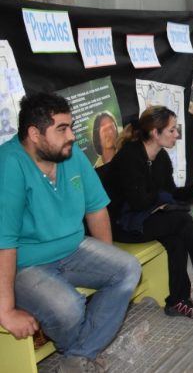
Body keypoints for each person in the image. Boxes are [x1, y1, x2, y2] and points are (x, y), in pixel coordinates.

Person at [0, 92, 141, 372]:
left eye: (71, 127)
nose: (72, 136)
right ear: (34, 134)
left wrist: (107, 260)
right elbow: (4, 243)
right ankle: (80, 355)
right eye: (62, 129)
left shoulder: (70, 154)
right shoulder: (9, 164)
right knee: (68, 308)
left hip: (74, 248)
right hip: (25, 264)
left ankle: (76, 356)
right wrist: (6, 312)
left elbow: (96, 209)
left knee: (127, 268)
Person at [105, 106, 193, 319]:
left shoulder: (161, 158)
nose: (177, 135)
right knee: (181, 220)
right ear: (154, 133)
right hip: (123, 224)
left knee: (177, 237)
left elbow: (169, 194)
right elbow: (139, 202)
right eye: (171, 130)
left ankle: (178, 300)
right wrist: (162, 198)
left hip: (145, 217)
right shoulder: (129, 157)